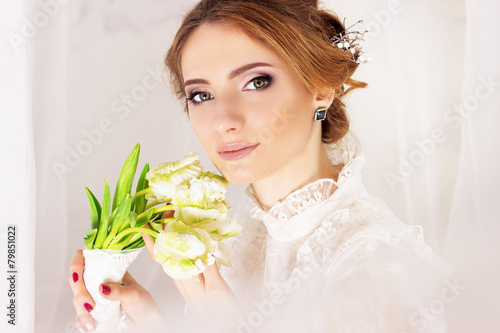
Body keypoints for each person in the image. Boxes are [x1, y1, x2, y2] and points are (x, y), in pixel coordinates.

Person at [69, 0, 446, 332]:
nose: (222, 120)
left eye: (256, 81)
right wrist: (146, 320)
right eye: (201, 95)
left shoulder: (374, 267)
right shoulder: (247, 240)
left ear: (321, 88)